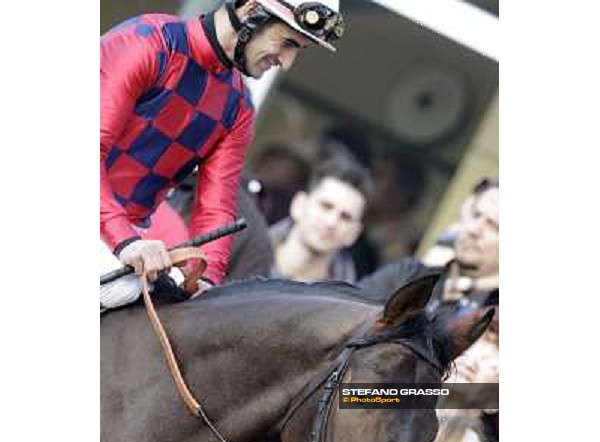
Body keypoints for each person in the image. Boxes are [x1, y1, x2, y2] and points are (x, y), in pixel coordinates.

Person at [100, 0, 345, 310]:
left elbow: (215, 205)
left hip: (120, 234)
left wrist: (207, 279)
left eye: (298, 50)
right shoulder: (147, 41)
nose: (287, 62)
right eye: (286, 43)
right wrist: (125, 239)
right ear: (250, 11)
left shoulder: (239, 106)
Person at [358, 179, 499, 310]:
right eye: (475, 215)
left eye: (493, 225)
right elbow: (347, 312)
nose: (473, 229)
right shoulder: (410, 274)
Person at [269, 155, 373, 283]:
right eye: (326, 206)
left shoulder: (347, 301)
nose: (332, 222)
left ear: (354, 234)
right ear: (299, 205)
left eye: (345, 217)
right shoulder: (242, 250)